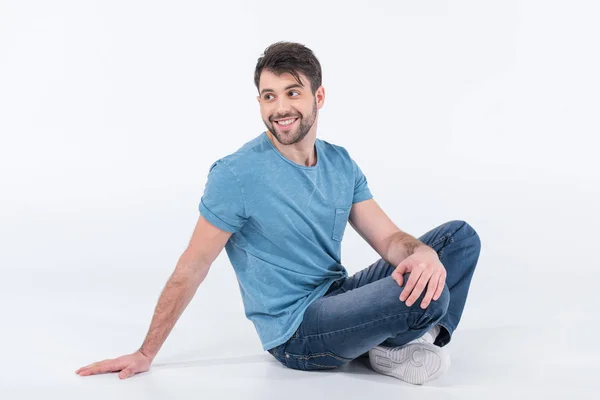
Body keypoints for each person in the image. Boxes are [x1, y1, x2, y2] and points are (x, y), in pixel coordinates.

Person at [75, 41, 481, 385]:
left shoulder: (340, 163)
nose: (280, 108)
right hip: (297, 331)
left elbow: (390, 239)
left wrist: (418, 254)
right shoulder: (236, 174)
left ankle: (408, 344)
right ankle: (394, 341)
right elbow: (192, 265)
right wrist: (146, 352)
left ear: (318, 97)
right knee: (428, 295)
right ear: (259, 102)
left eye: (292, 92)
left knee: (457, 239)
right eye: (269, 96)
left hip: (335, 297)